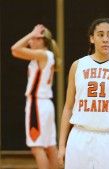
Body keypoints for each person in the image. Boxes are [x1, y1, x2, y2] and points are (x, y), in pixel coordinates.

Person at [57, 18, 109, 169]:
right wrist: (62, 145)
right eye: (100, 35)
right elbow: (68, 108)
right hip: (79, 136)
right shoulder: (78, 66)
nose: (105, 39)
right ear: (92, 38)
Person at [11, 24, 60, 169]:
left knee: (37, 148)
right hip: (45, 105)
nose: (30, 41)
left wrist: (31, 34)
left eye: (33, 39)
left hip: (37, 105)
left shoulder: (42, 54)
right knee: (50, 147)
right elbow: (16, 51)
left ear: (40, 39)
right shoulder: (45, 55)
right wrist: (32, 35)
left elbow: (14, 49)